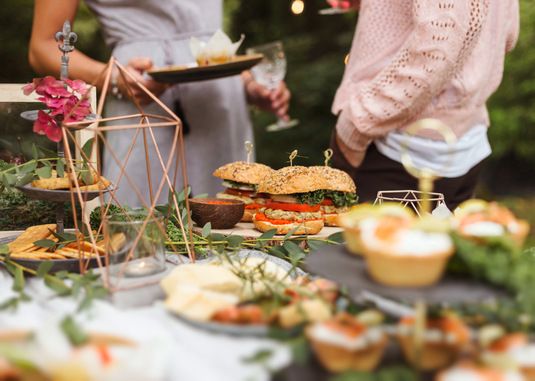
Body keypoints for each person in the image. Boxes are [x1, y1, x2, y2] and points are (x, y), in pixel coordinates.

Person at [29, 0, 291, 206]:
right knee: (142, 232)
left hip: (221, 107)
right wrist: (116, 78)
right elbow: (43, 47)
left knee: (232, 227)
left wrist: (248, 85)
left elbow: (204, 38)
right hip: (143, 102)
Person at [330, 0, 519, 210]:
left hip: (398, 149)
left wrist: (358, 122)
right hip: (465, 143)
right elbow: (507, 33)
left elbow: (436, 51)